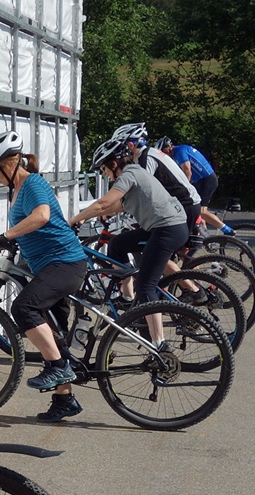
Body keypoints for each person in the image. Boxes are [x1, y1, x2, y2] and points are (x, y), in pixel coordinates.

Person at [0, 130, 89, 423]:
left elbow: (41, 216)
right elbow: (32, 225)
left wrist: (6, 235)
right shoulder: (16, 190)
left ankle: (58, 367)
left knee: (23, 308)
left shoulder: (33, 184)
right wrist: (13, 242)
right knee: (52, 333)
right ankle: (64, 400)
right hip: (50, 265)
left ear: (9, 164)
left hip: (65, 263)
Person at [68, 135, 191, 348]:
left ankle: (159, 344)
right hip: (167, 226)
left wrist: (73, 220)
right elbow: (119, 205)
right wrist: (91, 216)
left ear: (114, 163)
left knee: (146, 287)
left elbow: (104, 202)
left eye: (104, 168)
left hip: (167, 229)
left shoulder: (129, 174)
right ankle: (126, 297)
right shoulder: (135, 173)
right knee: (118, 245)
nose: (103, 173)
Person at [158, 136, 234, 234]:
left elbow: (187, 172)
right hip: (201, 181)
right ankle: (205, 237)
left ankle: (227, 230)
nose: (164, 154)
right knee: (197, 212)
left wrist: (184, 188)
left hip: (206, 180)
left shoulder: (179, 151)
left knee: (201, 211)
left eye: (163, 151)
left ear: (168, 147)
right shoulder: (179, 151)